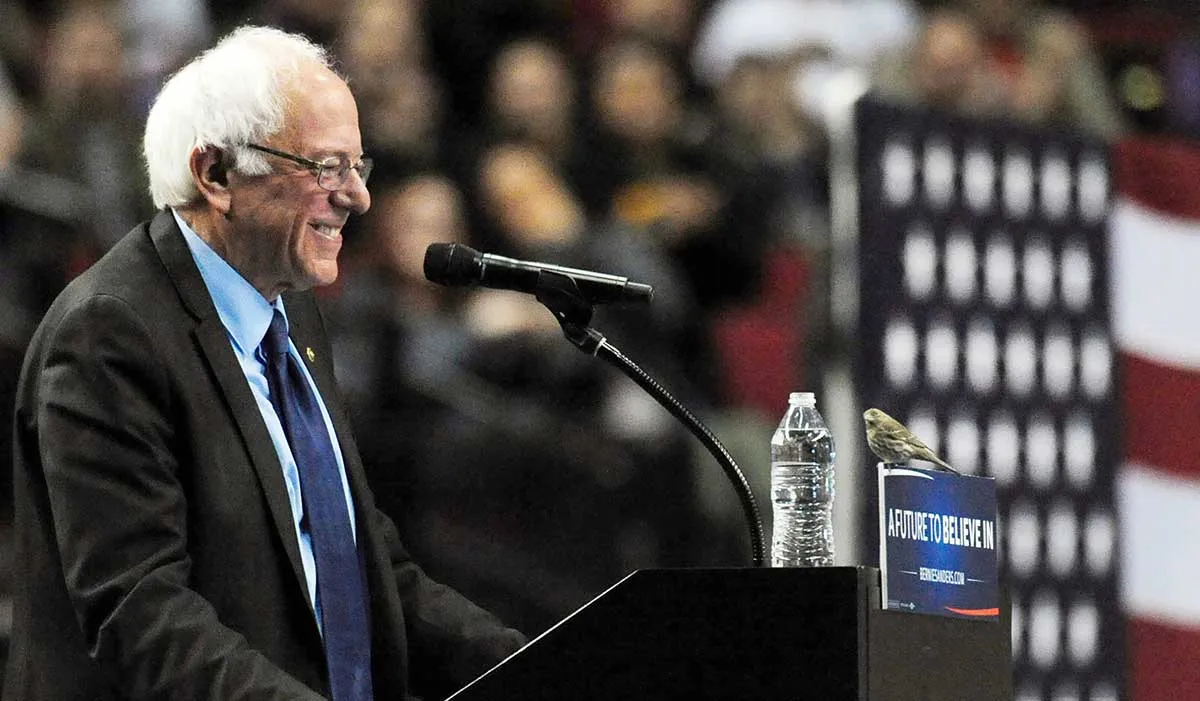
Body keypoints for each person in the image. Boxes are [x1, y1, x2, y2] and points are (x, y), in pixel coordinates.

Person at [4, 25, 525, 700]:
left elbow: (363, 567)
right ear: (216, 174)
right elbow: (140, 609)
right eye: (326, 167)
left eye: (357, 167)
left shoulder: (291, 312)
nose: (358, 197)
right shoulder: (108, 333)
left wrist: (535, 664)